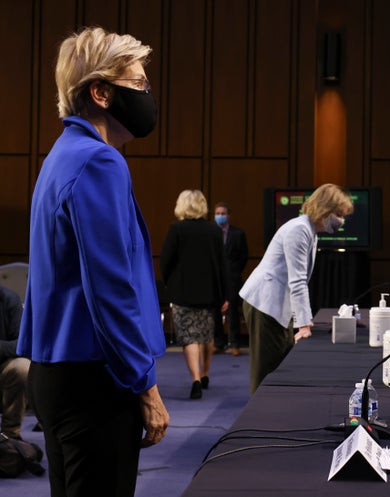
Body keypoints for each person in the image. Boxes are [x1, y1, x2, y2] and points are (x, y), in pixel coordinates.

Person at [17, 27, 169, 497]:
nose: (147, 95)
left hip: (58, 372)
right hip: (95, 379)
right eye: (140, 83)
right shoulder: (97, 162)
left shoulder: (62, 155)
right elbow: (110, 290)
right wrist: (146, 386)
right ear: (101, 92)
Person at [240, 184, 353, 394]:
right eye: (338, 214)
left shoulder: (310, 231)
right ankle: (257, 421)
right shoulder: (299, 229)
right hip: (265, 303)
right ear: (324, 208)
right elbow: (297, 281)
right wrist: (303, 325)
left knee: (279, 362)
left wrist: (303, 319)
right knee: (266, 370)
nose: (341, 220)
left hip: (276, 305)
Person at [160, 190, 229, 399]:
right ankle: (206, 373)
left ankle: (196, 379)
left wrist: (168, 282)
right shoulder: (214, 231)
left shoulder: (176, 229)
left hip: (183, 293)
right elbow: (222, 265)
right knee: (206, 335)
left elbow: (166, 261)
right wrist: (224, 294)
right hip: (209, 293)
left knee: (189, 337)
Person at [212, 202, 249, 356]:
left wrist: (233, 271)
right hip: (215, 278)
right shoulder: (211, 233)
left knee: (233, 311)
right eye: (217, 213)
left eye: (223, 213)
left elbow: (243, 257)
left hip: (233, 278)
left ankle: (234, 344)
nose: (220, 216)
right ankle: (218, 343)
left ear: (228, 215)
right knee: (215, 311)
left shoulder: (238, 233)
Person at [0, 286, 29, 440]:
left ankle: (10, 436)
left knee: (22, 367)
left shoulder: (9, 298)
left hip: (2, 366)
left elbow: (21, 344)